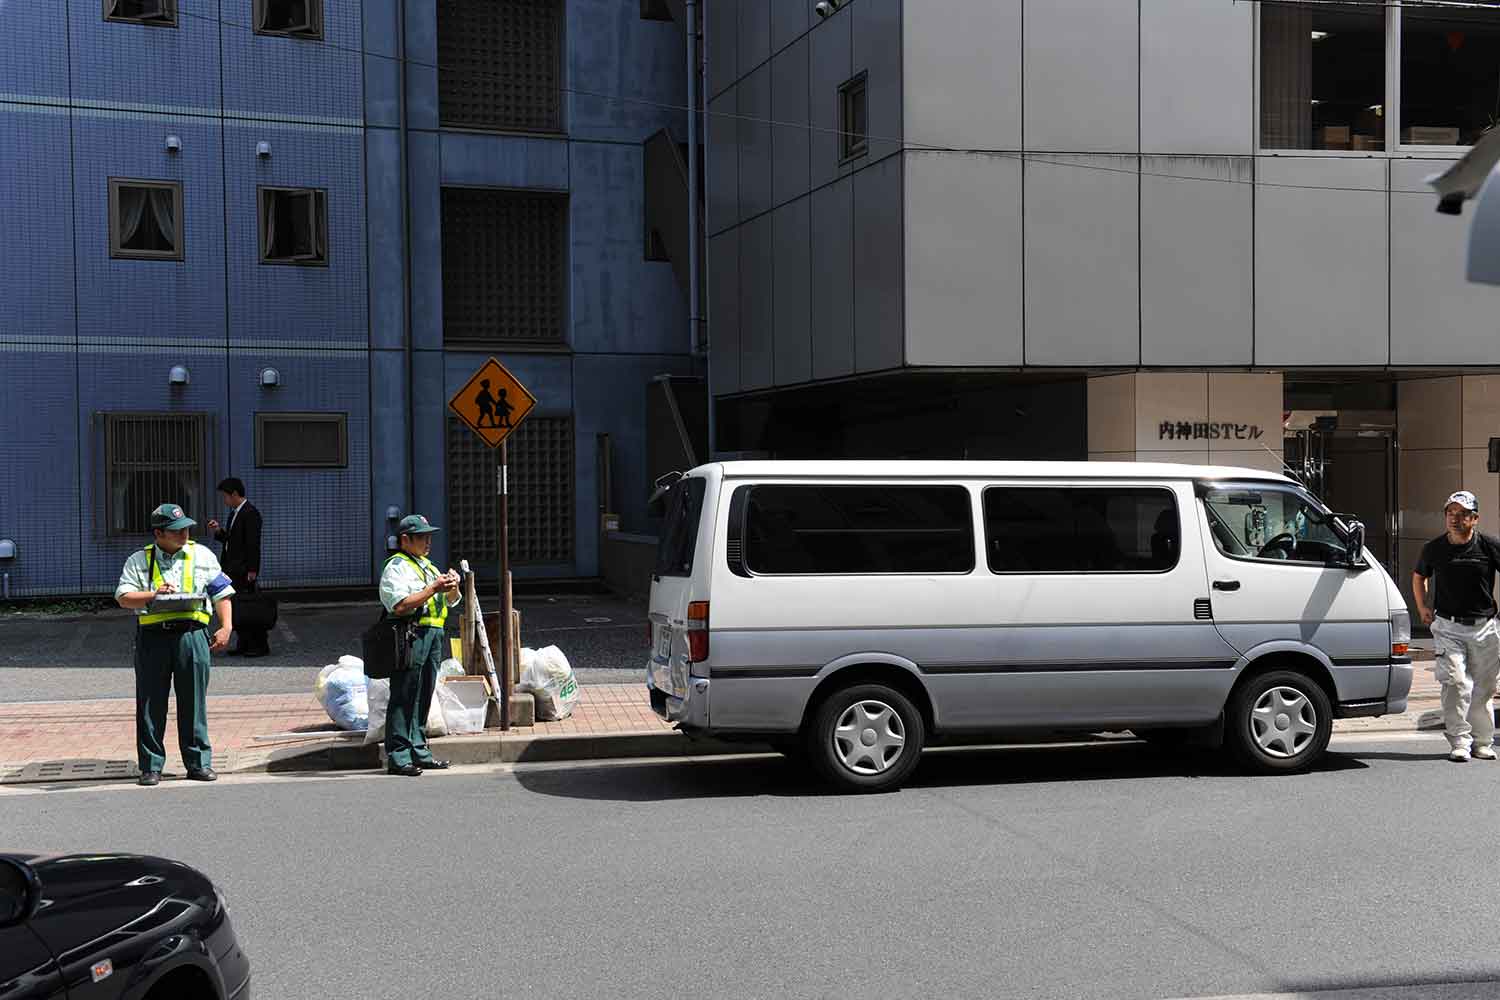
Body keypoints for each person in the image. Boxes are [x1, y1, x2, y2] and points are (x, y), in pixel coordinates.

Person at [114, 503, 235, 786]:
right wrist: (152, 594)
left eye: (186, 529)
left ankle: (198, 764)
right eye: (176, 530)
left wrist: (227, 626)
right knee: (150, 704)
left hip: (192, 636)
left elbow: (221, 593)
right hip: (152, 638)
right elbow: (122, 597)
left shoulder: (201, 555)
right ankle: (151, 767)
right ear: (158, 533)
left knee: (194, 702)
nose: (184, 534)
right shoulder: (138, 560)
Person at [1412, 489, 1500, 762]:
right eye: (1451, 513)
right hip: (1448, 626)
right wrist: (1423, 607)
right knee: (1456, 683)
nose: (1455, 518)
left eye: (1462, 514)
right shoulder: (1434, 548)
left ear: (1474, 518)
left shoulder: (1489, 545)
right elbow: (1419, 576)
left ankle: (1483, 742)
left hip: (1484, 627)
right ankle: (1460, 741)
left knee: (1484, 689)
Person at [377, 514, 461, 776]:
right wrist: (434, 588)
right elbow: (400, 604)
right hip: (410, 634)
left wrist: (452, 587)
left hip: (433, 634)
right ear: (406, 539)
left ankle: (419, 750)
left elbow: (449, 601)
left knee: (423, 693)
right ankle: (399, 756)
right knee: (404, 694)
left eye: (429, 537)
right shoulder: (397, 566)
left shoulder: (428, 566)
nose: (428, 542)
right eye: (422, 537)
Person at [206, 477, 268, 656]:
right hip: (232, 568)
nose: (225, 501)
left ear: (234, 494)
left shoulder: (250, 513)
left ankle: (258, 645)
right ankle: (244, 644)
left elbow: (252, 544)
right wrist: (218, 531)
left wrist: (252, 570)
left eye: (225, 496)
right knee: (239, 607)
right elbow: (232, 541)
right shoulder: (235, 513)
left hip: (243, 569)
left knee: (250, 607)